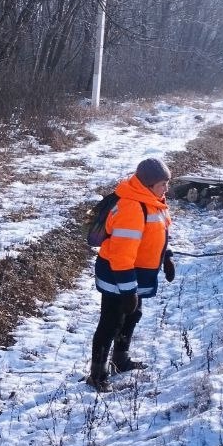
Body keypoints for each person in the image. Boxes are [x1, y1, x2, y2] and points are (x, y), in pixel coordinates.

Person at [88, 157, 176, 391]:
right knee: (110, 323)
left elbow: (155, 235)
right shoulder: (132, 207)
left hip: (134, 275)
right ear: (147, 184)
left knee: (132, 316)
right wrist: (128, 291)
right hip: (118, 276)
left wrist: (166, 256)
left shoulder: (153, 201)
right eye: (162, 184)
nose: (166, 188)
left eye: (167, 183)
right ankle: (97, 374)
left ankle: (120, 360)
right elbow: (121, 254)